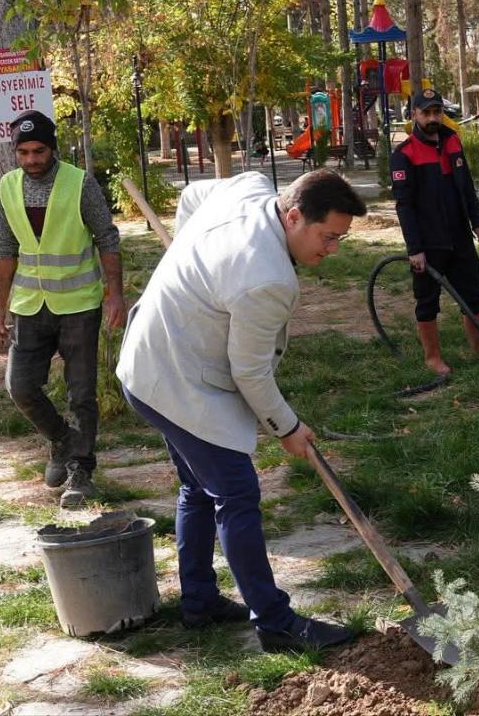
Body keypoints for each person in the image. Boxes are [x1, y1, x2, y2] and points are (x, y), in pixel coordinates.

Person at [116, 169, 367, 651]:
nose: (333, 249)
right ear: (293, 215)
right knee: (236, 493)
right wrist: (288, 428)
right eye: (328, 236)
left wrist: (194, 269)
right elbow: (249, 373)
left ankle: (199, 602)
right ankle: (274, 623)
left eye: (340, 238)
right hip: (174, 380)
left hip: (147, 359)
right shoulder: (267, 278)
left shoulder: (249, 186)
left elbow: (192, 195)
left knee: (198, 485)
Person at [0, 110, 125, 508]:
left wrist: (114, 293)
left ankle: (81, 471)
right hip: (30, 305)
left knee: (81, 392)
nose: (31, 159)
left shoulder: (79, 183)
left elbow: (107, 237)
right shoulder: (7, 187)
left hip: (79, 304)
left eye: (39, 150)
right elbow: (5, 248)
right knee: (21, 386)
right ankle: (62, 439)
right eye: (23, 152)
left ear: (53, 148)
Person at [389, 88, 479, 376]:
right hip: (428, 242)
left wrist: (477, 220)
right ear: (414, 116)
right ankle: (432, 357)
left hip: (460, 237)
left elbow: (466, 186)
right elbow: (404, 206)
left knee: (473, 294)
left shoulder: (453, 142)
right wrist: (415, 249)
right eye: (427, 112)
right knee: (427, 301)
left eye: (437, 112)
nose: (433, 117)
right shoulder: (404, 154)